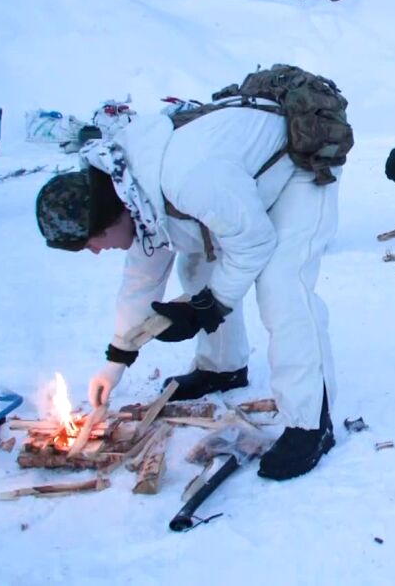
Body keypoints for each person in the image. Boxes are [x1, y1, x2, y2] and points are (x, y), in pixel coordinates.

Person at [35, 101, 340, 481]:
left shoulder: (186, 180)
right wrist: (117, 361)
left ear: (106, 219)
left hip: (298, 165)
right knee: (196, 265)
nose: (96, 251)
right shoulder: (132, 194)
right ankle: (223, 369)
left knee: (281, 288)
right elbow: (141, 278)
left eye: (90, 242)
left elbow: (254, 244)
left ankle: (311, 424)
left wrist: (207, 308)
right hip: (239, 189)